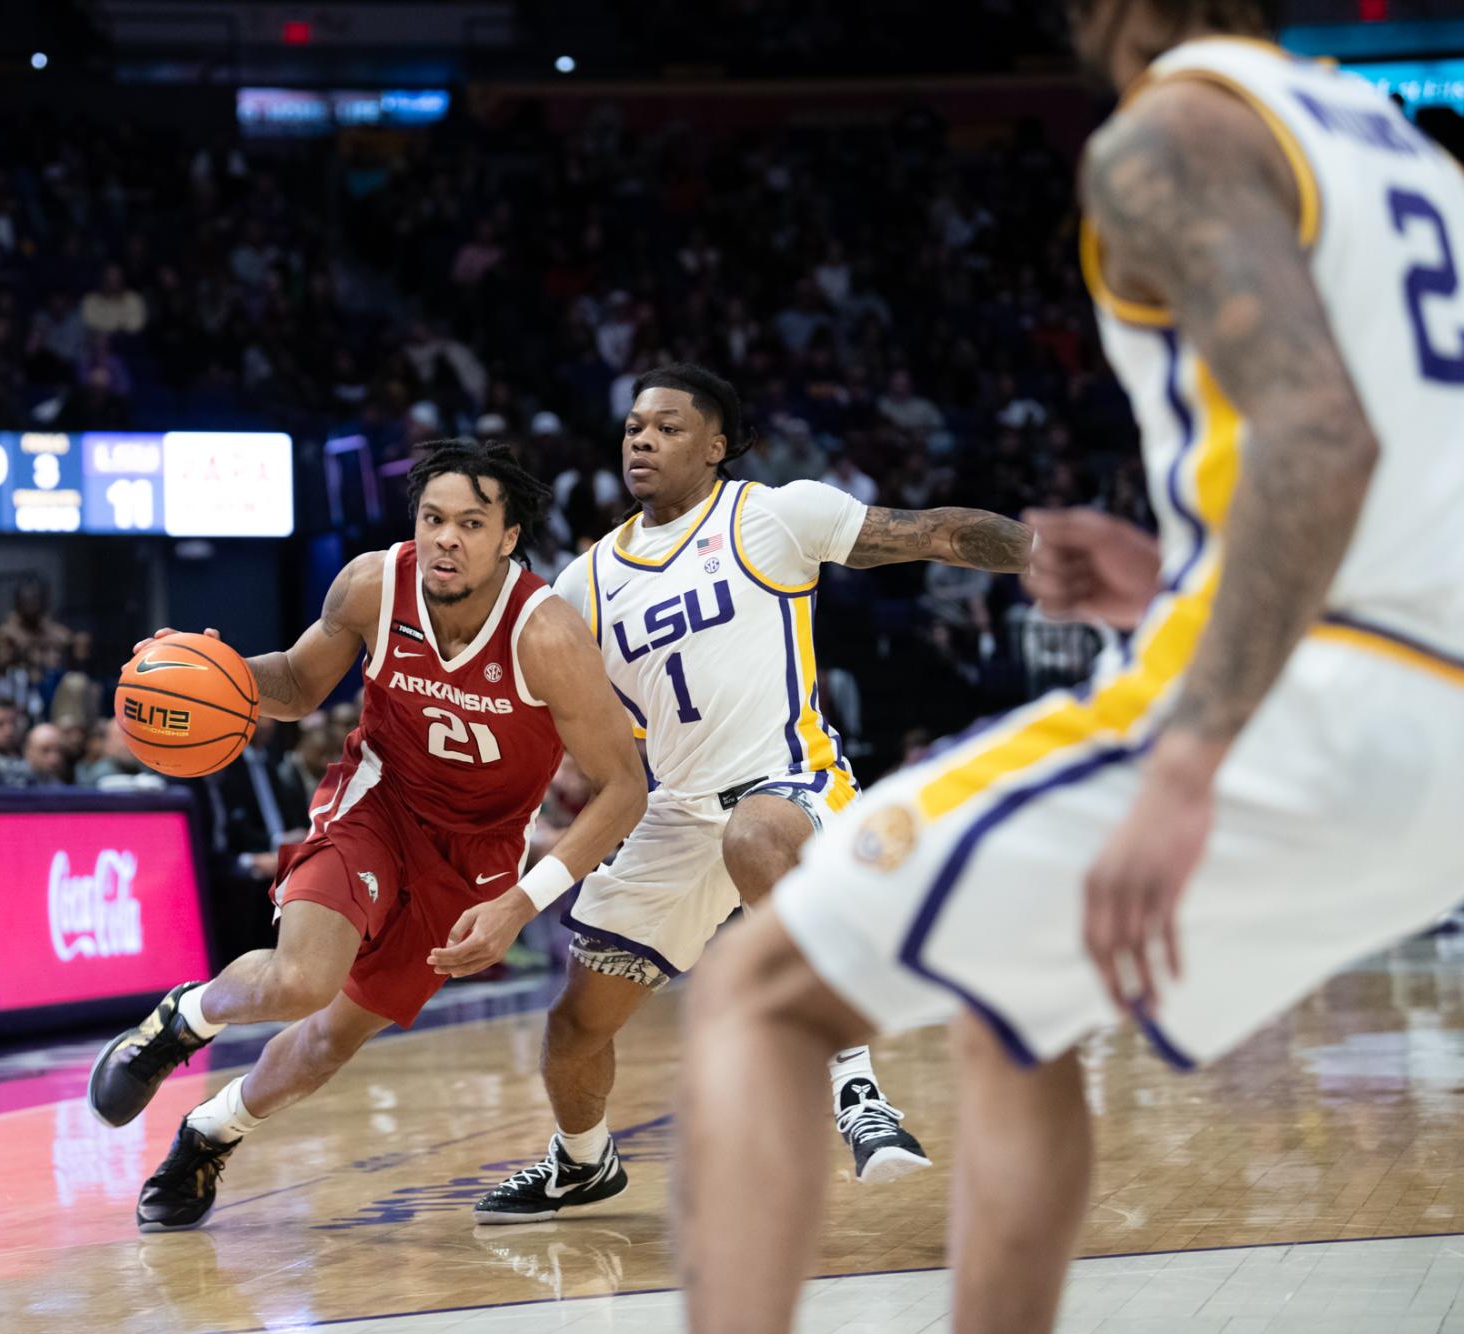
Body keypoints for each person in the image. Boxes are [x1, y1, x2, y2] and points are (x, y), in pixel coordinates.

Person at [675, 7, 1464, 1333]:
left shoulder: (1172, 126)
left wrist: (1188, 757)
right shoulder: (1402, 154)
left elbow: (1318, 434)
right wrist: (1170, 577)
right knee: (1010, 1002)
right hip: (1428, 717)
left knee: (759, 991)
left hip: (1311, 703)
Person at [476, 364, 1033, 1222]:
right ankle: (581, 1163)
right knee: (575, 1030)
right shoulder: (581, 585)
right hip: (671, 813)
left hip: (790, 784)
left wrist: (1041, 552)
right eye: (632, 427)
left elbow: (931, 533)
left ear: (717, 445)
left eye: (665, 426)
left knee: (752, 839)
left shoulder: (771, 515)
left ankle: (858, 1093)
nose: (641, 440)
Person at [87, 439, 646, 1233]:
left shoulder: (545, 636)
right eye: (433, 518)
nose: (447, 538)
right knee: (302, 978)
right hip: (375, 804)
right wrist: (211, 671)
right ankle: (182, 1020)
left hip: (476, 854)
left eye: (471, 523)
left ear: (508, 537)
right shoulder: (374, 585)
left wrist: (521, 904)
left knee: (325, 1043)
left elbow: (622, 790)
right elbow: (295, 682)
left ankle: (206, 1135)